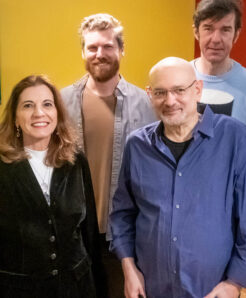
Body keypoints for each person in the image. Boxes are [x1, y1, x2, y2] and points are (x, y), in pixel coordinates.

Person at [109, 57, 246, 298]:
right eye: (160, 92)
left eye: (179, 90)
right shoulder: (137, 146)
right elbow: (123, 214)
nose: (170, 101)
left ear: (197, 90)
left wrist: (234, 283)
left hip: (212, 290)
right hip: (151, 288)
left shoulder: (234, 138)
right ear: (149, 95)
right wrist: (129, 268)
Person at [0, 75, 105, 298]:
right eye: (28, 106)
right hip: (19, 292)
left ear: (57, 113)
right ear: (15, 117)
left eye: (47, 104)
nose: (39, 113)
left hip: (77, 288)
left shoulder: (76, 160)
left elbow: (88, 232)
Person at [61, 13, 156, 297]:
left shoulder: (147, 105)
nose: (99, 54)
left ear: (121, 50)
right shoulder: (61, 103)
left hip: (124, 235)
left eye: (107, 46)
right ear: (83, 51)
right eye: (92, 47)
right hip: (75, 232)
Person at [191, 0, 246, 175]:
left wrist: (245, 197)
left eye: (225, 30)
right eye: (208, 28)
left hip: (232, 196)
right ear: (196, 32)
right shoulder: (179, 78)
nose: (216, 39)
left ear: (236, 34)